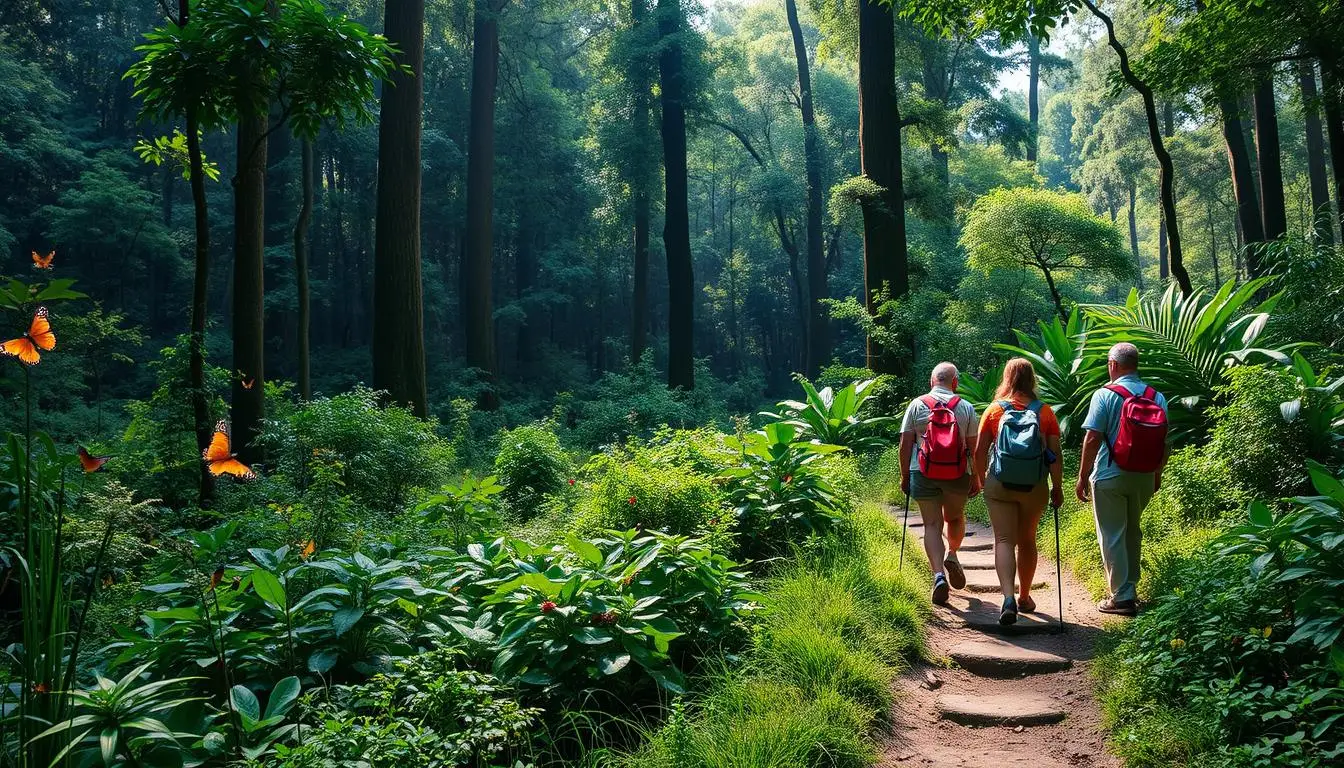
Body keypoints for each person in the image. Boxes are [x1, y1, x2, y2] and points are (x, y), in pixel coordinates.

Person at [1076, 342, 1169, 617]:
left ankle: (1121, 597)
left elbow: (1092, 438)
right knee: (1132, 531)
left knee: (1113, 534)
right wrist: (1157, 473)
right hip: (1143, 476)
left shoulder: (1104, 394)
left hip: (1110, 474)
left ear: (1113, 365)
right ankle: (1130, 588)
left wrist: (1081, 477)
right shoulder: (1156, 396)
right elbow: (1165, 442)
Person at [973, 358, 1064, 625]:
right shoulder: (1044, 412)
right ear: (1031, 379)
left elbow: (979, 451)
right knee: (1027, 539)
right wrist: (1057, 487)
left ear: (1007, 378)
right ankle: (1025, 596)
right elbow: (1054, 455)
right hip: (1034, 485)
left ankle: (1008, 599)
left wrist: (980, 479)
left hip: (1000, 483)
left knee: (1003, 540)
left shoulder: (993, 411)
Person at [900, 362, 980, 606]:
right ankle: (953, 555)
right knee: (954, 518)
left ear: (931, 381)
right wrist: (976, 476)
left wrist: (905, 475)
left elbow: (905, 444)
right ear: (955, 382)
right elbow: (974, 448)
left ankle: (937, 576)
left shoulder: (916, 405)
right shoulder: (965, 407)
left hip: (922, 472)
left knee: (932, 525)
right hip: (957, 474)